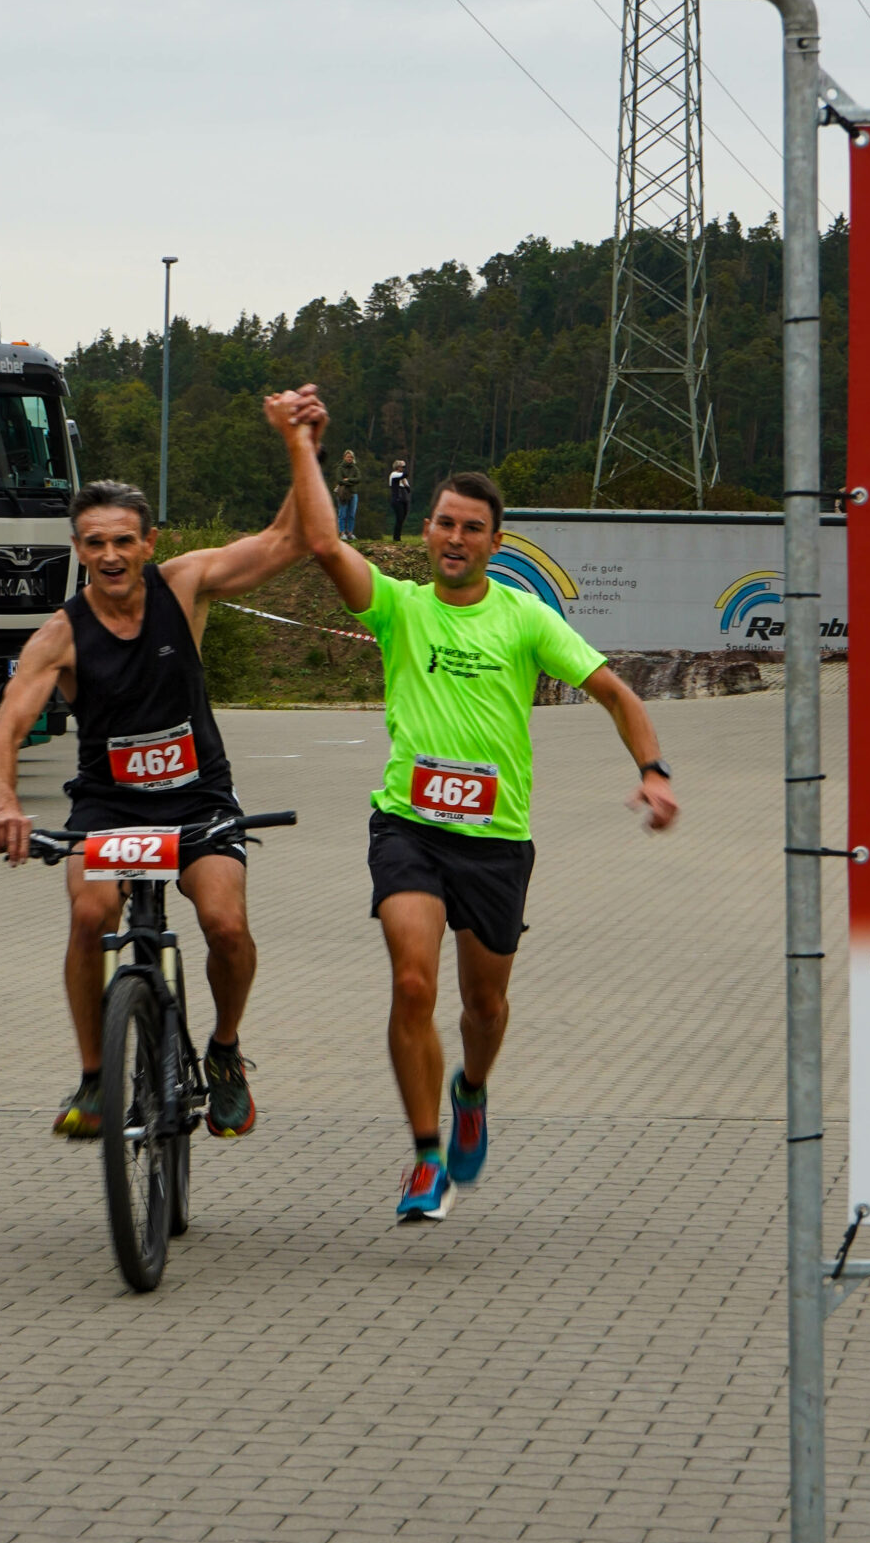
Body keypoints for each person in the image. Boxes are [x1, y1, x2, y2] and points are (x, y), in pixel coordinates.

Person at [276, 406, 679, 1221]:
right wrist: (299, 445)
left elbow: (613, 692)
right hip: (408, 827)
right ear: (426, 531)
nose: (455, 539)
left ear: (495, 542)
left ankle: (471, 1091)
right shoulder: (397, 607)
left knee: (483, 1007)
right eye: (444, 524)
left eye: (471, 528)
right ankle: (426, 1157)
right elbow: (322, 543)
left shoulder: (526, 618)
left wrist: (653, 771)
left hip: (495, 841)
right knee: (412, 980)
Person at [0, 394, 328, 1144]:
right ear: (77, 548)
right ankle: (95, 1077)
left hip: (197, 800)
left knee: (225, 925)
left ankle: (224, 1053)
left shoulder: (185, 585)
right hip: (109, 807)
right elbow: (3, 732)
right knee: (89, 916)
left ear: (149, 543)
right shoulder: (59, 636)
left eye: (123, 541)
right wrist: (5, 804)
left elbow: (291, 539)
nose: (110, 555)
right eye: (94, 543)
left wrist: (299, 445)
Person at [336, 448, 360, 540]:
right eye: (348, 457)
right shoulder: (340, 468)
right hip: (343, 493)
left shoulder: (355, 468)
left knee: (352, 514)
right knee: (342, 513)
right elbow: (339, 480)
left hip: (353, 493)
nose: (349, 458)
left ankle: (350, 533)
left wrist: (348, 479)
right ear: (344, 457)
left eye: (351, 457)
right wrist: (352, 482)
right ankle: (342, 533)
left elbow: (358, 479)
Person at [388, 456, 412, 542]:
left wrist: (405, 484)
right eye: (402, 466)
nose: (404, 468)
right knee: (399, 518)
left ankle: (398, 536)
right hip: (397, 499)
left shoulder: (403, 478)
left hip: (404, 499)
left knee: (402, 518)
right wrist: (404, 480)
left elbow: (408, 489)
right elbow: (405, 474)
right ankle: (396, 538)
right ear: (398, 467)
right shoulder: (394, 474)